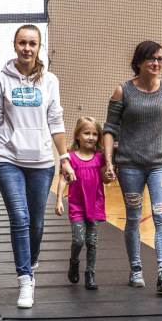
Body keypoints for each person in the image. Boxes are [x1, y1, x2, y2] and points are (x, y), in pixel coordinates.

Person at [0, 24, 76, 309]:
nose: (27, 48)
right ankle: (25, 279)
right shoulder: (1, 79)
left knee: (36, 223)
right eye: (22, 42)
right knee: (19, 217)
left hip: (42, 162)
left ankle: (30, 261)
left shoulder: (50, 81)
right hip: (6, 158)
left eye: (32, 43)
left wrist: (65, 159)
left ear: (39, 47)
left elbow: (56, 122)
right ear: (14, 45)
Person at [103, 40, 162, 293]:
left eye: (160, 59)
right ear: (139, 62)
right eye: (151, 59)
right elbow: (110, 129)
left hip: (160, 165)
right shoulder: (122, 91)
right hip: (130, 167)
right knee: (134, 218)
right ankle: (135, 269)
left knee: (161, 216)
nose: (156, 63)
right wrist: (108, 162)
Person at [55, 116, 112, 290]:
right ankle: (74, 261)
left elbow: (104, 178)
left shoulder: (100, 157)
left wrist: (109, 177)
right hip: (77, 206)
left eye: (95, 134)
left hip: (95, 205)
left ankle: (90, 274)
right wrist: (59, 199)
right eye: (87, 133)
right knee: (79, 241)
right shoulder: (70, 158)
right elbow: (64, 180)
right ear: (78, 135)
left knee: (92, 241)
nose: (91, 137)